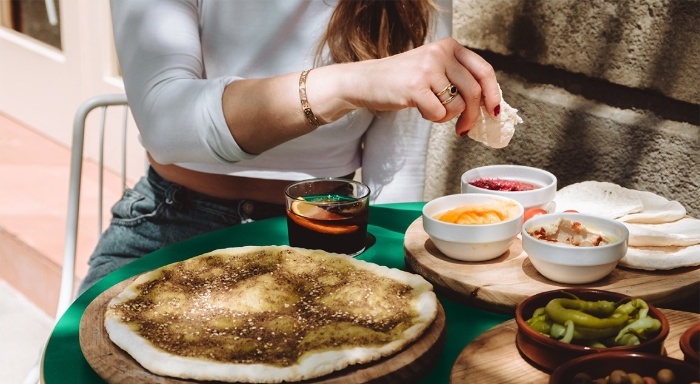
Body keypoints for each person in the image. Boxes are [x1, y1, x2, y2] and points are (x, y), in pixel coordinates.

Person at [78, 0, 502, 293]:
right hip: (172, 223)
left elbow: (395, 174)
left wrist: (390, 271)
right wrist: (350, 83)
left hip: (331, 229)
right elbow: (165, 123)